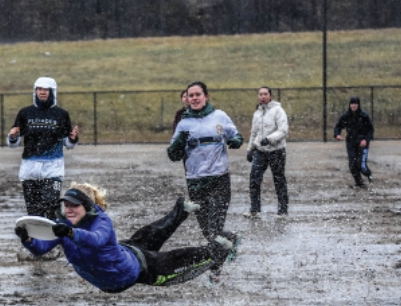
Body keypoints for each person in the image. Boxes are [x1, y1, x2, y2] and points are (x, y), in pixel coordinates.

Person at [14, 182, 233, 293]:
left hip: (136, 271)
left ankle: (221, 248)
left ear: (88, 207)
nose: (69, 210)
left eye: (75, 206)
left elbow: (96, 241)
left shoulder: (102, 222)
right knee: (148, 235)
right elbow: (40, 250)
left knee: (179, 258)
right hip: (125, 253)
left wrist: (70, 233)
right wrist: (28, 239)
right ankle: (182, 210)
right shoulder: (63, 225)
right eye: (66, 206)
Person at [167, 81, 243, 281]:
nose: (194, 98)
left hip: (219, 179)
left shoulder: (220, 116)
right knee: (208, 232)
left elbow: (236, 136)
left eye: (198, 94)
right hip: (195, 181)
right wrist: (180, 140)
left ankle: (215, 272)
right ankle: (231, 240)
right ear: (187, 99)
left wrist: (235, 141)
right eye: (191, 95)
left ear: (206, 96)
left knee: (215, 227)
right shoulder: (183, 123)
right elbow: (173, 155)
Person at [8, 77, 79, 220]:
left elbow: (69, 144)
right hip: (29, 168)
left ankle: (55, 237)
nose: (42, 92)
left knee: (52, 205)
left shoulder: (61, 115)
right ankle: (37, 239)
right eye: (40, 89)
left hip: (53, 168)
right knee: (34, 209)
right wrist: (13, 136)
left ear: (52, 92)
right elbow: (13, 144)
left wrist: (72, 139)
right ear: (35, 91)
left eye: (46, 90)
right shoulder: (25, 113)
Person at [244, 86, 289, 219]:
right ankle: (254, 209)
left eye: (265, 94)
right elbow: (254, 132)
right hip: (260, 151)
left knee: (279, 180)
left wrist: (269, 140)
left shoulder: (278, 110)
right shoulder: (257, 113)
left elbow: (283, 130)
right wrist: (250, 149)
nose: (263, 96)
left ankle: (283, 210)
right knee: (254, 179)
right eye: (260, 94)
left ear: (270, 96)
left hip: (276, 151)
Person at [334, 96, 374, 188]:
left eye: (355, 103)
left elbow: (370, 130)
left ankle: (369, 174)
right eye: (352, 103)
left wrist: (365, 140)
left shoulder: (364, 116)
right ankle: (359, 183)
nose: (353, 105)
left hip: (362, 144)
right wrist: (337, 134)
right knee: (352, 165)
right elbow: (338, 126)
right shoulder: (346, 116)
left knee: (362, 166)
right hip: (351, 143)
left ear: (358, 105)